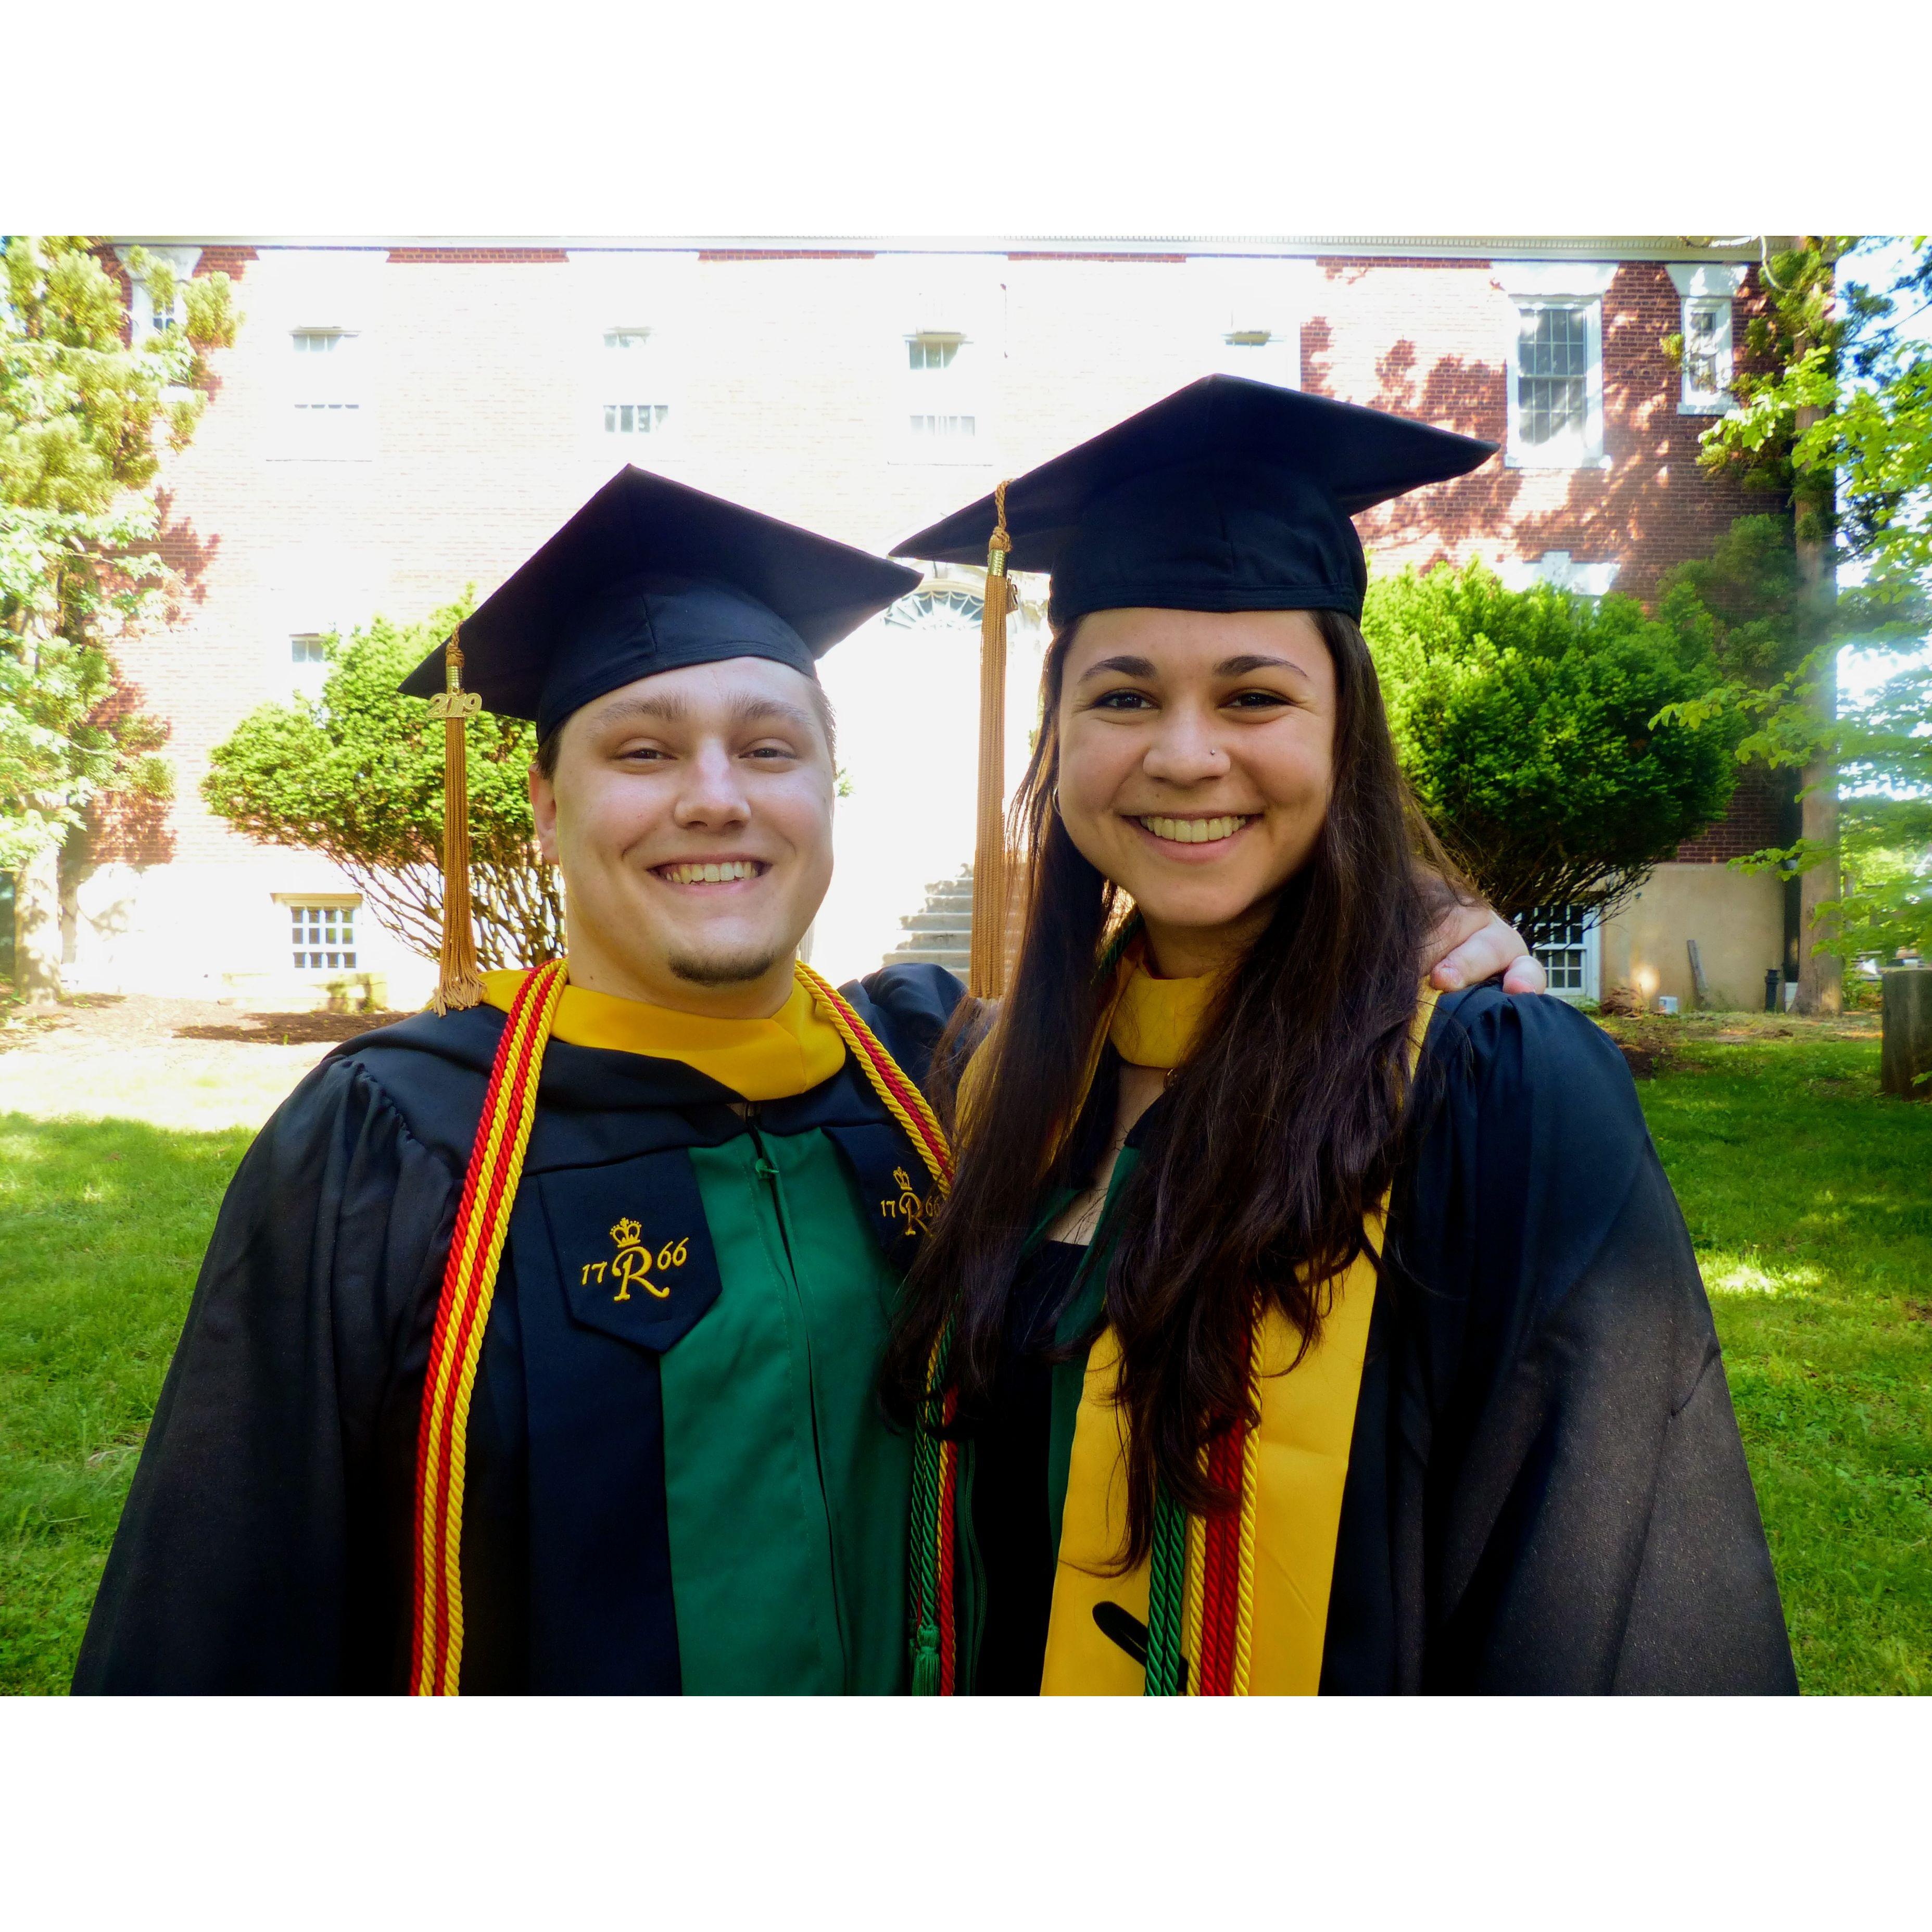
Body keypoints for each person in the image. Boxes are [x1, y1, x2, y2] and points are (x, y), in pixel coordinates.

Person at [73, 462, 1538, 1697]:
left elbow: (1211, 1014)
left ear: (824, 789)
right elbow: (221, 1624)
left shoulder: (945, 1081)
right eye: (643, 750)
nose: (714, 796)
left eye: (768, 748)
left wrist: (1404, 919)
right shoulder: (396, 1147)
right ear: (544, 801)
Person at [883, 376, 1798, 1695]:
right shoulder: (987, 1089)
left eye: (1253, 697)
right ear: (1056, 736)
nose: (1184, 754)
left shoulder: (1489, 1093)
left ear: (1342, 731)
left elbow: (1597, 1596)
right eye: (1122, 697)